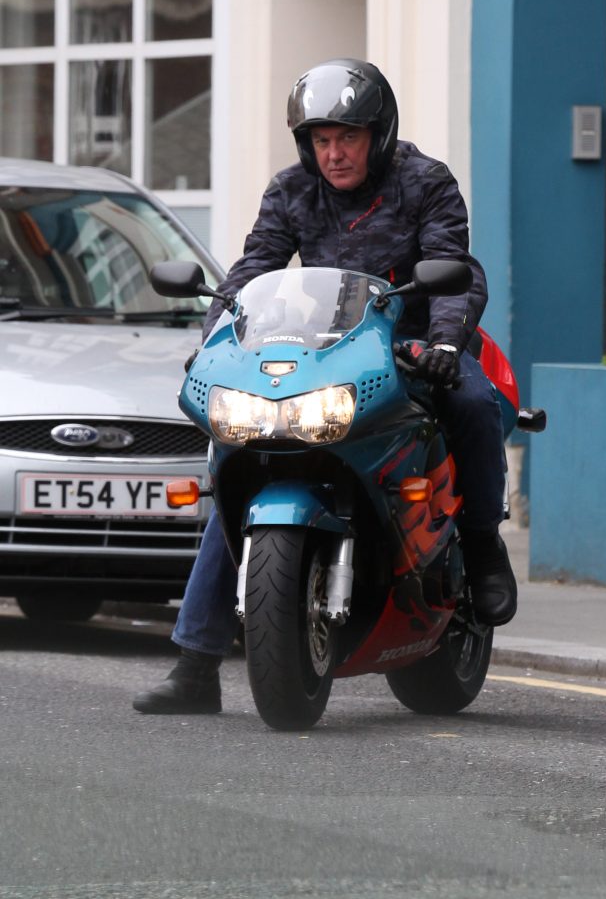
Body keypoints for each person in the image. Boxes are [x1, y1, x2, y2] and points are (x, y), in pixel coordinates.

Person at [133, 58, 517, 715]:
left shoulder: (425, 182)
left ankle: (480, 543)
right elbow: (252, 272)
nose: (334, 153)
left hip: (416, 345)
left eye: (347, 138)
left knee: (473, 402)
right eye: (321, 140)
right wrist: (214, 342)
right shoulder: (290, 191)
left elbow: (458, 270)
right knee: (239, 460)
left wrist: (447, 344)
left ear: (379, 134)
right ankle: (196, 668)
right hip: (319, 351)